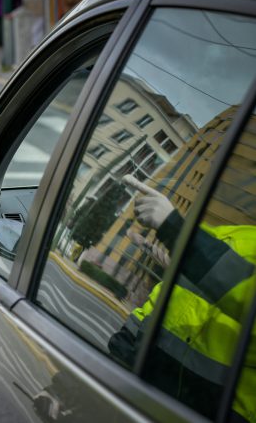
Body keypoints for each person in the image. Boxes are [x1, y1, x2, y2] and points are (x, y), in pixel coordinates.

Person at [108, 176, 255, 421]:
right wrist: (126, 345)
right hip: (140, 389)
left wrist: (175, 229)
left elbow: (242, 294)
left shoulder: (207, 242)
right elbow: (171, 294)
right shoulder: (232, 236)